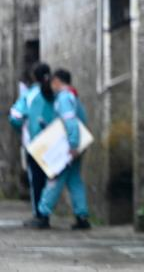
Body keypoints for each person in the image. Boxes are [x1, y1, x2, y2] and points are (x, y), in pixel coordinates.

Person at [34, 69, 91, 230]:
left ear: (57, 81)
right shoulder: (73, 97)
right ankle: (82, 216)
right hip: (76, 145)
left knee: (55, 178)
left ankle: (43, 214)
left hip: (66, 148)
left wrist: (72, 144)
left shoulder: (64, 98)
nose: (51, 86)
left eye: (52, 82)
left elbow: (69, 121)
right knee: (74, 180)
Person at [8, 63, 57, 226]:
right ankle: (49, 212)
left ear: (33, 77)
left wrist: (22, 129)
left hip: (35, 144)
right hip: (56, 143)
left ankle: (40, 215)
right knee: (53, 180)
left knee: (36, 181)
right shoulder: (57, 93)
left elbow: (15, 116)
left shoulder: (30, 95)